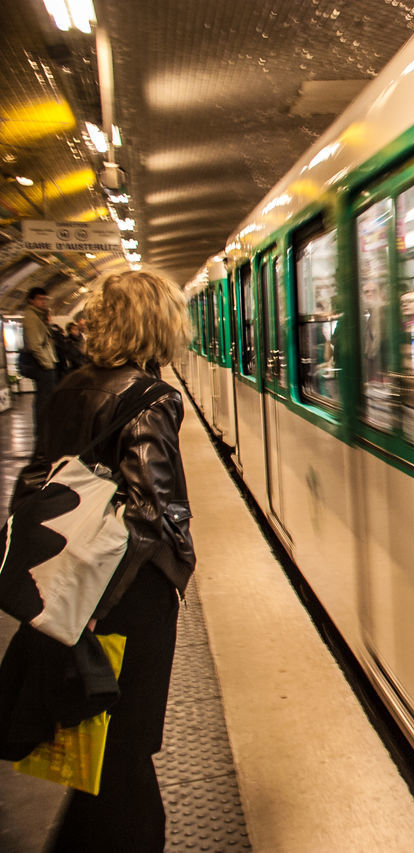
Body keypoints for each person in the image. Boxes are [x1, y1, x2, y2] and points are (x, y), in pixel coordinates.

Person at [13, 270, 196, 852]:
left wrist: (64, 594)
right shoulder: (152, 397)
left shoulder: (70, 385)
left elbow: (36, 480)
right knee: (128, 738)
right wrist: (97, 604)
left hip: (67, 581)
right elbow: (151, 511)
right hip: (125, 595)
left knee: (97, 726)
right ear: (158, 323)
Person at [21, 286, 57, 440]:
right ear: (31, 300)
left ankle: (45, 427)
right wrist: (47, 364)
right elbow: (35, 345)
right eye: (40, 299)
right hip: (42, 365)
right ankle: (42, 429)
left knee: (46, 398)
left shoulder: (38, 316)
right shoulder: (30, 317)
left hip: (46, 363)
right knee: (43, 398)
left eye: (45, 299)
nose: (43, 302)